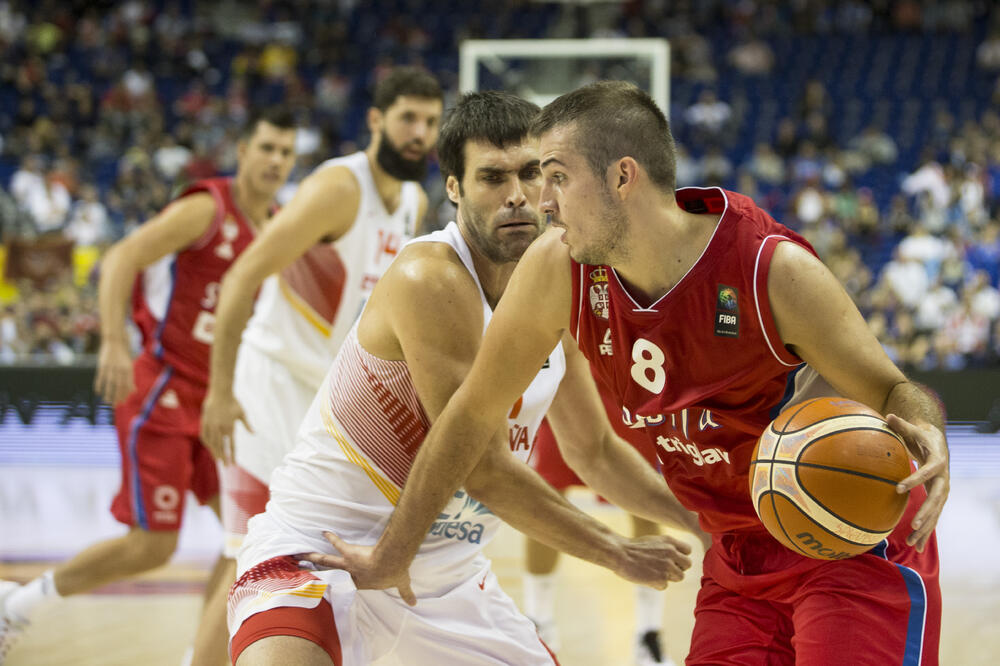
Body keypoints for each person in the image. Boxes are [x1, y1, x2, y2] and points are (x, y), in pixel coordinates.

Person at [328, 82, 950, 665]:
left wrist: (929, 432)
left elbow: (896, 389)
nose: (541, 203)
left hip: (843, 533)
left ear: (622, 176)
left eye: (556, 179)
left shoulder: (771, 270)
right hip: (736, 556)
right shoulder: (559, 268)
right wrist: (393, 552)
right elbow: (470, 414)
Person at [227, 91, 700, 666]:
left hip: (449, 584)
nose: (517, 195)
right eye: (491, 178)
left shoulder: (560, 279)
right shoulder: (432, 277)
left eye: (531, 173)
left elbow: (595, 451)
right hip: (324, 554)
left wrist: (703, 525)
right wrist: (616, 552)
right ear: (453, 188)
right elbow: (484, 469)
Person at [0, 108, 299, 665]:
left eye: (286, 152)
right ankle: (18, 605)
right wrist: (114, 340)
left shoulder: (281, 225)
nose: (276, 161)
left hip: (221, 400)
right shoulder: (208, 207)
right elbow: (121, 258)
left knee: (247, 537)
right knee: (152, 546)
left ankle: (201, 657)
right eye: (267, 148)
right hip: (164, 385)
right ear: (242, 153)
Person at [197, 66, 442, 660]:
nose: (420, 133)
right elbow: (241, 277)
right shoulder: (339, 187)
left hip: (324, 402)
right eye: (409, 118)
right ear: (376, 120)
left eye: (432, 122)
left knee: (264, 551)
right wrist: (220, 391)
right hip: (267, 385)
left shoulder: (410, 199)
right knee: (249, 557)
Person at [525, 416, 683, 666]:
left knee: (643, 500)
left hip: (621, 395)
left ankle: (648, 632)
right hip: (565, 394)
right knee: (544, 500)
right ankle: (538, 621)